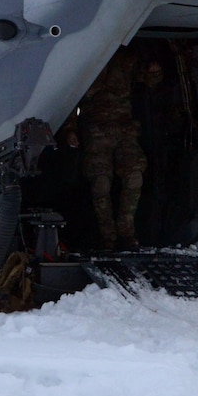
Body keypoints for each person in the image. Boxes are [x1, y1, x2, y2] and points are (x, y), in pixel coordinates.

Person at [79, 48, 147, 250]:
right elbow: (70, 95)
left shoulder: (127, 58)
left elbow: (147, 82)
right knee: (101, 182)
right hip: (96, 131)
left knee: (134, 175)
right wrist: (70, 129)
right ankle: (107, 236)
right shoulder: (84, 59)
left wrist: (154, 71)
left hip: (124, 129)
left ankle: (127, 233)